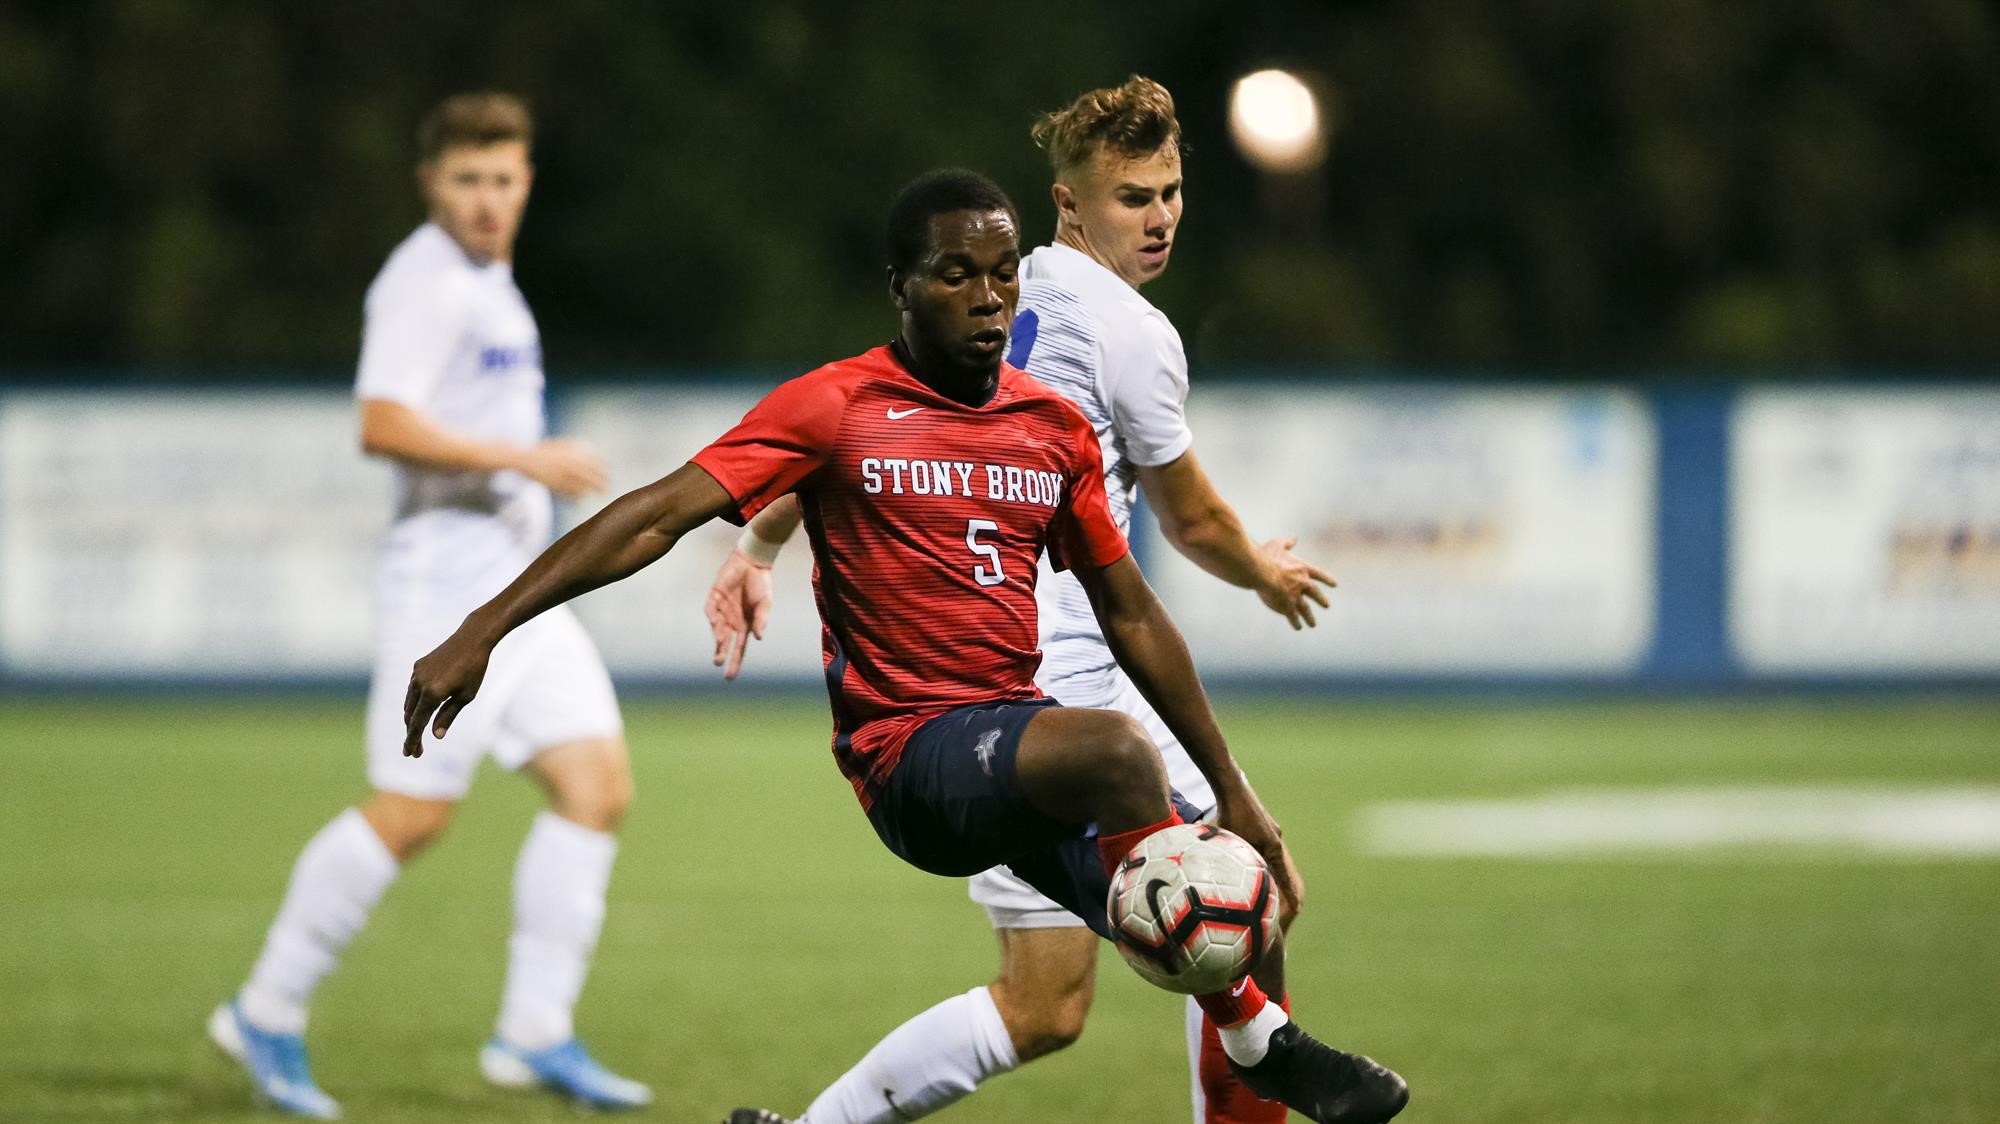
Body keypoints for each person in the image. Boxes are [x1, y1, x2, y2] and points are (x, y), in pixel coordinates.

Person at [402, 168, 1408, 1124]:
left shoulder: (1049, 430)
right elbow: (654, 514)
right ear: (901, 287)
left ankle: (1252, 1035)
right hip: (911, 759)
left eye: (1002, 272)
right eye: (955, 273)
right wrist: (481, 626)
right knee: (1117, 756)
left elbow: (1132, 614)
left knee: (1236, 904)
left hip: (1010, 752)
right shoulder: (837, 406)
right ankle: (1260, 1043)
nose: (986, 296)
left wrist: (1233, 790)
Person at [703, 77, 1337, 1124]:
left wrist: (761, 535)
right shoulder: (1131, 331)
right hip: (1065, 689)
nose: (1161, 216)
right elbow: (1192, 523)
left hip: (971, 700)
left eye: (1171, 191)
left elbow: (871, 434)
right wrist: (1260, 572)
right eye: (1132, 196)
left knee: (1041, 1000)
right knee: (1244, 903)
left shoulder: (994, 288)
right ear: (1067, 204)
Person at [207, 92, 650, 1117]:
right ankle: (264, 1008)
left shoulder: (486, 282)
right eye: (466, 180)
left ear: (526, 181)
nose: (486, 200)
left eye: (502, 179)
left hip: (515, 589)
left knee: (595, 784)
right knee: (412, 809)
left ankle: (532, 1031)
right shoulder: (422, 281)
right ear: (430, 183)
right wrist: (518, 453)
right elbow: (380, 421)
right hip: (445, 590)